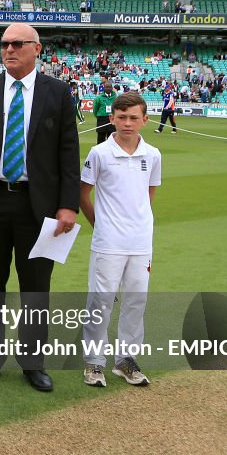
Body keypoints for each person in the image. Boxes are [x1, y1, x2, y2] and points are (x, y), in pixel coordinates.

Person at [0, 22, 80, 392]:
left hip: (37, 205)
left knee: (35, 287)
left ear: (36, 49)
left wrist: (68, 205)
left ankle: (33, 363)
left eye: (17, 44)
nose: (8, 50)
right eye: (4, 44)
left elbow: (68, 152)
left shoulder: (57, 92)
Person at [80, 92, 161, 388]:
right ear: (112, 118)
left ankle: (126, 361)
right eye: (122, 117)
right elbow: (82, 194)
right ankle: (94, 363)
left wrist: (139, 224)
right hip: (108, 242)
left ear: (145, 120)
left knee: (136, 302)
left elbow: (148, 195)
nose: (127, 123)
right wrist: (100, 225)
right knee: (100, 302)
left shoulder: (153, 155)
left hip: (141, 243)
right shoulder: (100, 153)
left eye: (134, 118)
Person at [93, 79, 117, 143]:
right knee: (101, 139)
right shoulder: (99, 98)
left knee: (112, 140)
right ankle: (100, 153)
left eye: (109, 87)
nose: (108, 88)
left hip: (112, 119)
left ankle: (111, 152)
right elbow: (95, 109)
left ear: (112, 88)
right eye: (106, 87)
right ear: (104, 88)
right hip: (102, 119)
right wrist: (99, 116)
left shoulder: (115, 98)